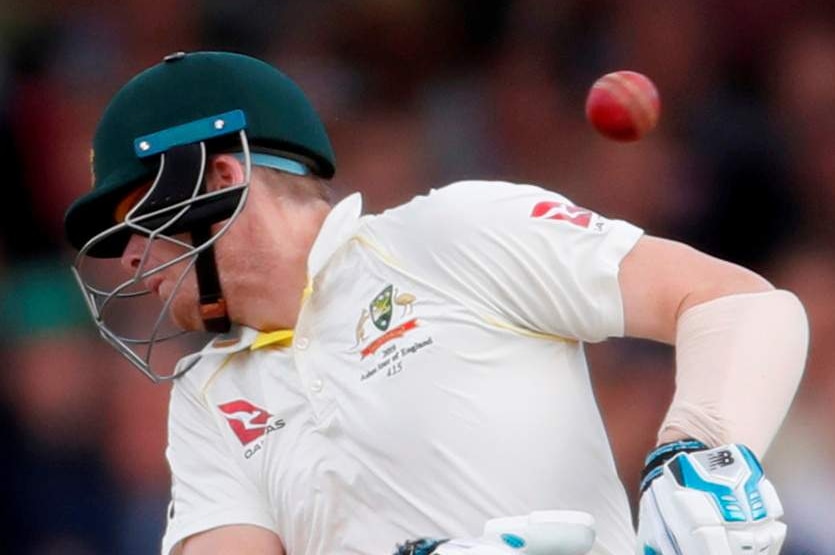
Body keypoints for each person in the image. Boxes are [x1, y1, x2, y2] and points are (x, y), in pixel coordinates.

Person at [63, 51, 808, 555]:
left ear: (219, 176)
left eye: (135, 215)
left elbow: (739, 305)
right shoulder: (208, 396)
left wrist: (702, 452)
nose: (128, 256)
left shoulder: (447, 233)